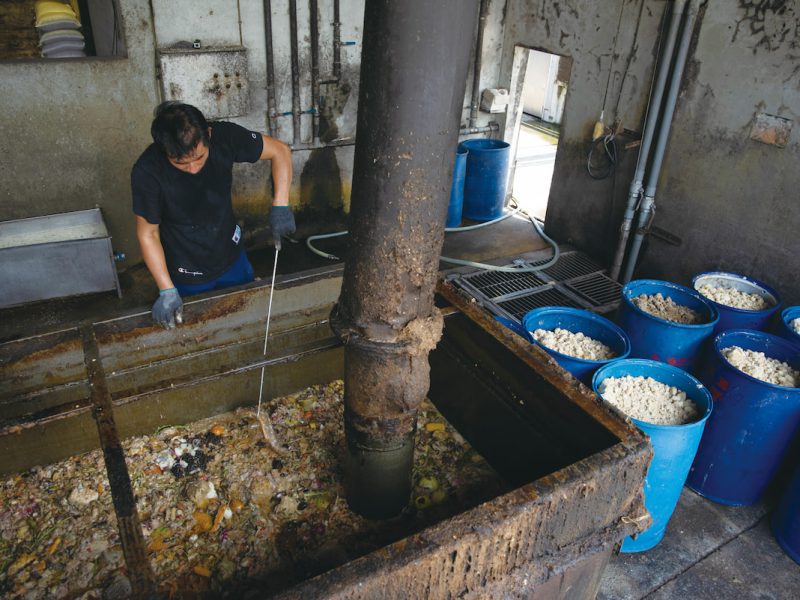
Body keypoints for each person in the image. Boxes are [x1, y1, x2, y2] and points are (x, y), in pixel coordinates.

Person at [131, 101, 295, 328]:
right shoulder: (147, 171)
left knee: (247, 314)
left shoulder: (224, 136)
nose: (193, 168)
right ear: (163, 151)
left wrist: (281, 204)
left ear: (207, 134)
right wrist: (166, 288)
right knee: (200, 327)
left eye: (199, 158)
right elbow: (148, 234)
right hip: (185, 267)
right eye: (180, 163)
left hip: (231, 253)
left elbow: (280, 151)